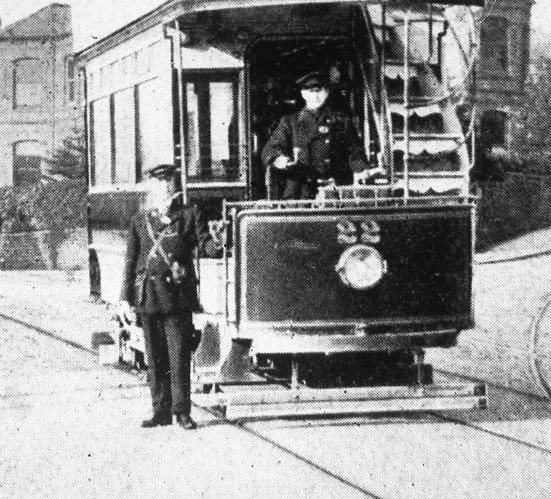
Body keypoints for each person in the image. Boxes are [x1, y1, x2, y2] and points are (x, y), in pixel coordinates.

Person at [118, 163, 224, 430]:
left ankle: (182, 412)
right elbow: (130, 261)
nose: (164, 189)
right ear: (151, 189)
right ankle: (160, 411)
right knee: (154, 358)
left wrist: (218, 240)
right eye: (159, 185)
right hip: (148, 296)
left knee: (179, 356)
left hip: (177, 296)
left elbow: (207, 248)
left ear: (174, 189)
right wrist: (124, 299)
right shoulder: (139, 220)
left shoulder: (189, 215)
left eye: (168, 185)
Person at [261, 71, 369, 200]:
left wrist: (361, 170)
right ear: (303, 94)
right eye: (310, 91)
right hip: (300, 192)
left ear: (327, 92)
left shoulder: (341, 121)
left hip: (335, 191)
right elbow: (270, 150)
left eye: (319, 91)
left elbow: (355, 152)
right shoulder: (290, 122)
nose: (316, 96)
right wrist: (280, 160)